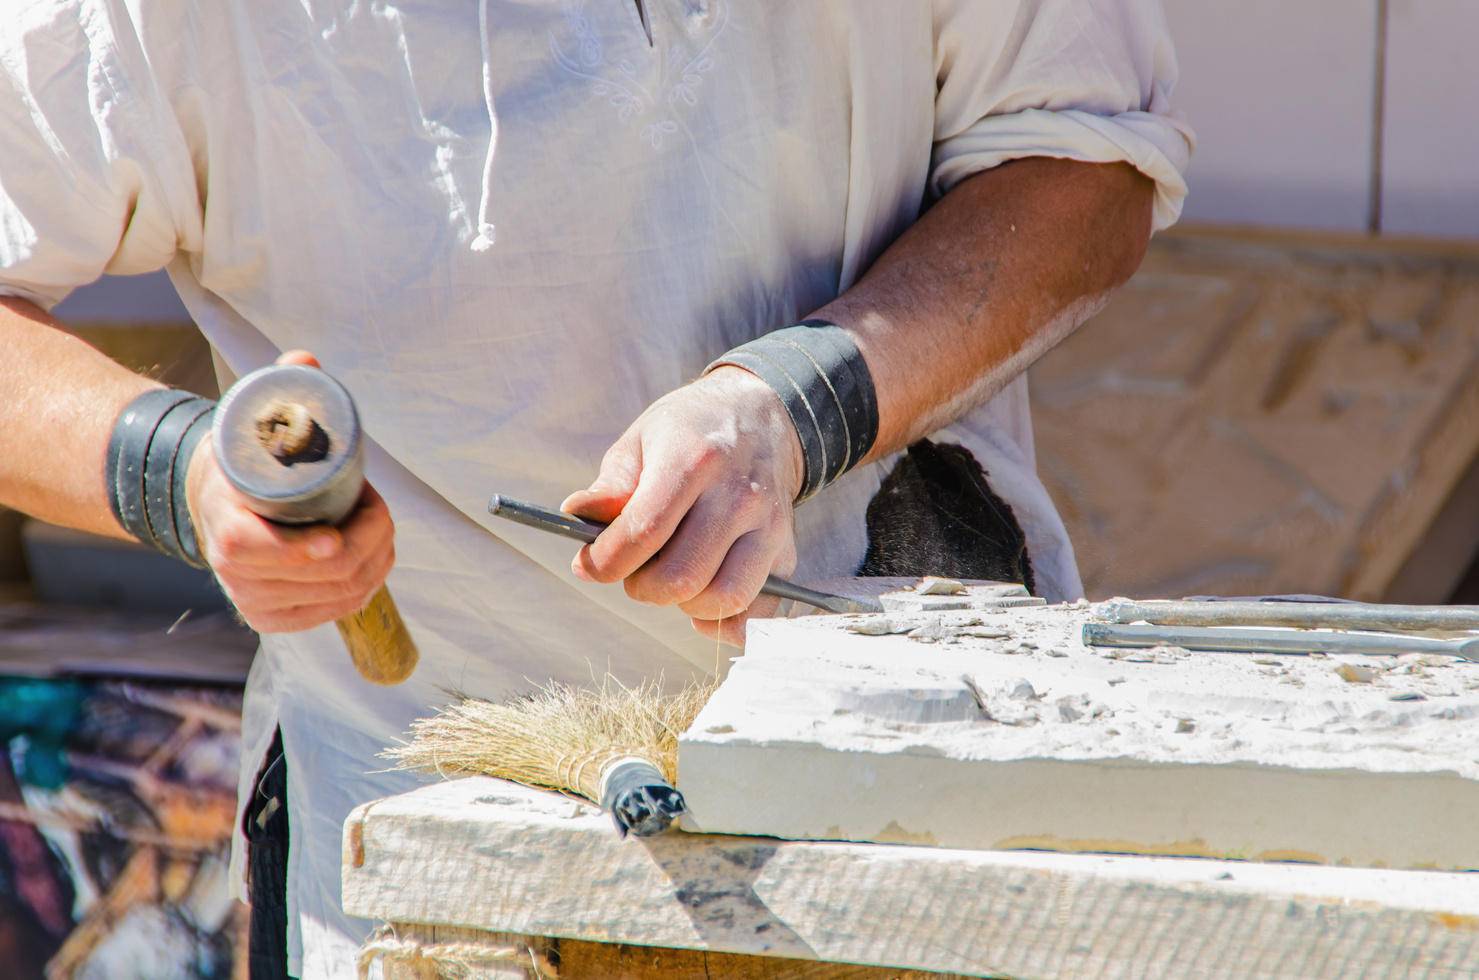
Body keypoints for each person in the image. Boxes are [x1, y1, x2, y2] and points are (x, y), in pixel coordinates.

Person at [0, 0, 1192, 976]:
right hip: (435, 843)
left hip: (911, 771)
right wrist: (183, 469)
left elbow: (1084, 167)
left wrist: (791, 403)